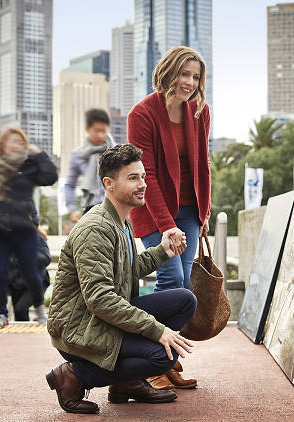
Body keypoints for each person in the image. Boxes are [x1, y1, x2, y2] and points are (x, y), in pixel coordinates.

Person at [45, 144, 197, 414]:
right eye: (133, 178)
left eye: (143, 177)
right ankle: (74, 376)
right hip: (81, 329)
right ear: (109, 184)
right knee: (163, 357)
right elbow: (100, 299)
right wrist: (156, 330)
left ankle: (125, 383)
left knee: (185, 300)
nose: (143, 185)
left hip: (102, 319)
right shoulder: (95, 228)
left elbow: (126, 269)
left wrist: (163, 251)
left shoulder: (120, 221)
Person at [127, 45, 211, 390]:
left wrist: (203, 211)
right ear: (168, 71)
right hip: (153, 210)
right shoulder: (142, 114)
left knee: (183, 288)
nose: (189, 82)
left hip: (190, 210)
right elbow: (147, 175)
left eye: (195, 76)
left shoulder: (199, 112)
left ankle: (168, 361)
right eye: (184, 73)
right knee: (171, 280)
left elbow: (202, 164)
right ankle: (150, 362)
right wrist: (167, 226)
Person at [0, 127, 58, 328]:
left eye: (20, 142)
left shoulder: (28, 167)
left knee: (30, 272)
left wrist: (39, 155)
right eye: (12, 141)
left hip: (25, 228)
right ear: (3, 144)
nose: (16, 145)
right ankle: (1, 314)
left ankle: (40, 310)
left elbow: (50, 177)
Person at [64, 108, 116, 223]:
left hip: (116, 208)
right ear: (87, 129)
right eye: (97, 131)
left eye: (104, 130)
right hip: (90, 210)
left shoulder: (117, 152)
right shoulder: (78, 155)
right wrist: (72, 210)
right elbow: (70, 185)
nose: (101, 135)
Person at [7, 226, 52, 321]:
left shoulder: (38, 238)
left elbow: (46, 259)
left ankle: (41, 321)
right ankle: (23, 334)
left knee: (20, 308)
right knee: (18, 314)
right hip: (17, 282)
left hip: (37, 281)